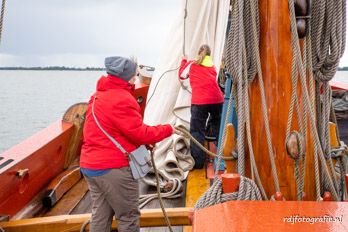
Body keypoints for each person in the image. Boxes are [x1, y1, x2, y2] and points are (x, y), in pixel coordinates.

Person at [80, 56, 174, 232]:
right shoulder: (122, 98)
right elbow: (141, 134)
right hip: (113, 169)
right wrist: (168, 129)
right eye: (135, 73)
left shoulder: (97, 96)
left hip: (90, 166)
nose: (137, 76)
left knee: (100, 215)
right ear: (129, 76)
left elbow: (110, 132)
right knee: (128, 217)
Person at [178, 44, 224, 169]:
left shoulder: (192, 64)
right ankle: (220, 154)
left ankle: (198, 163)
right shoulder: (213, 66)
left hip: (200, 102)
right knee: (218, 125)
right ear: (209, 55)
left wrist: (183, 60)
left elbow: (181, 75)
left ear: (199, 53)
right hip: (217, 99)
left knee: (197, 131)